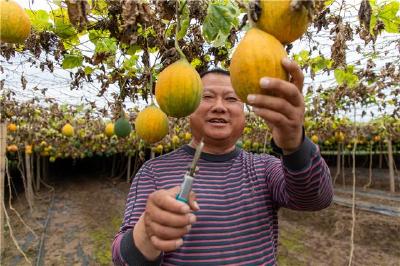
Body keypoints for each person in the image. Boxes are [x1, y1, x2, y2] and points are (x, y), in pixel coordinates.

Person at [112, 58, 333, 265]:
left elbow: (316, 199)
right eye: (207, 97)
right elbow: (122, 259)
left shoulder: (264, 168)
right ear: (190, 108)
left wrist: (295, 143)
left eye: (231, 99)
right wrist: (147, 232)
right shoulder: (153, 172)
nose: (219, 106)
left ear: (244, 112)